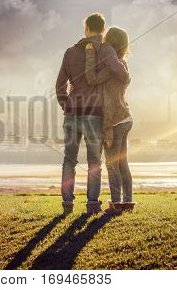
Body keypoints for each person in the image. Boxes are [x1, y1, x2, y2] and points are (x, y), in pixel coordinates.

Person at [55, 13, 128, 215]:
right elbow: (122, 75)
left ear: (86, 28)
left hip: (72, 113)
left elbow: (60, 85)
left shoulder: (70, 52)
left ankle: (67, 204)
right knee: (94, 161)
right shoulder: (106, 50)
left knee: (69, 160)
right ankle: (92, 205)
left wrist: (66, 104)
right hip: (94, 115)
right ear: (103, 30)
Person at [84, 26, 135, 213]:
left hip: (114, 121)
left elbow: (91, 78)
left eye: (105, 39)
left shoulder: (109, 69)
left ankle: (116, 204)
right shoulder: (123, 65)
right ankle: (127, 203)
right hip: (126, 117)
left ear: (110, 43)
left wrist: (90, 55)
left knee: (112, 165)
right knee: (122, 164)